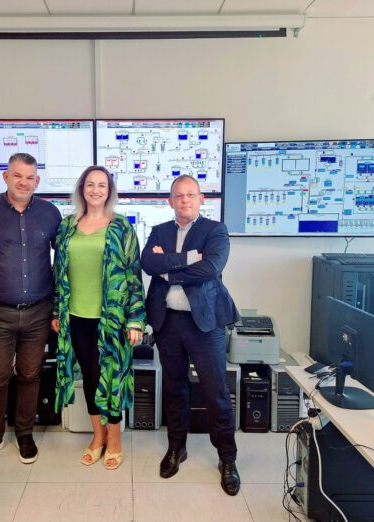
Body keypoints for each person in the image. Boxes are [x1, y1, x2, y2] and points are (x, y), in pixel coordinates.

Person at [141, 174, 241, 496]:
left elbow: (210, 268)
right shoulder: (159, 231)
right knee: (174, 388)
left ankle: (227, 458)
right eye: (179, 196)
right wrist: (186, 260)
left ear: (201, 200)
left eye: (190, 195)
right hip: (168, 322)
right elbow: (148, 263)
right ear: (170, 201)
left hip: (205, 324)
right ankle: (176, 448)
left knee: (216, 393)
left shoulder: (215, 230)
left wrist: (168, 270)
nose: (185, 200)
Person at [0, 153, 61, 467]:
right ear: (6, 177)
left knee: (30, 375)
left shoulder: (50, 213)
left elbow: (63, 259)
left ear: (37, 181)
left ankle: (24, 434)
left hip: (38, 312)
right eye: (17, 175)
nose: (23, 182)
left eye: (30, 177)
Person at [51, 166, 145, 470]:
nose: (95, 190)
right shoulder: (67, 227)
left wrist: (135, 319)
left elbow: (133, 275)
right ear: (82, 189)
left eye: (101, 185)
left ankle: (115, 440)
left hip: (113, 319)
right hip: (76, 316)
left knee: (112, 379)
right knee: (91, 378)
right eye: (90, 184)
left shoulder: (121, 227)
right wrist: (56, 311)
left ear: (109, 191)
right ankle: (98, 437)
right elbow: (58, 273)